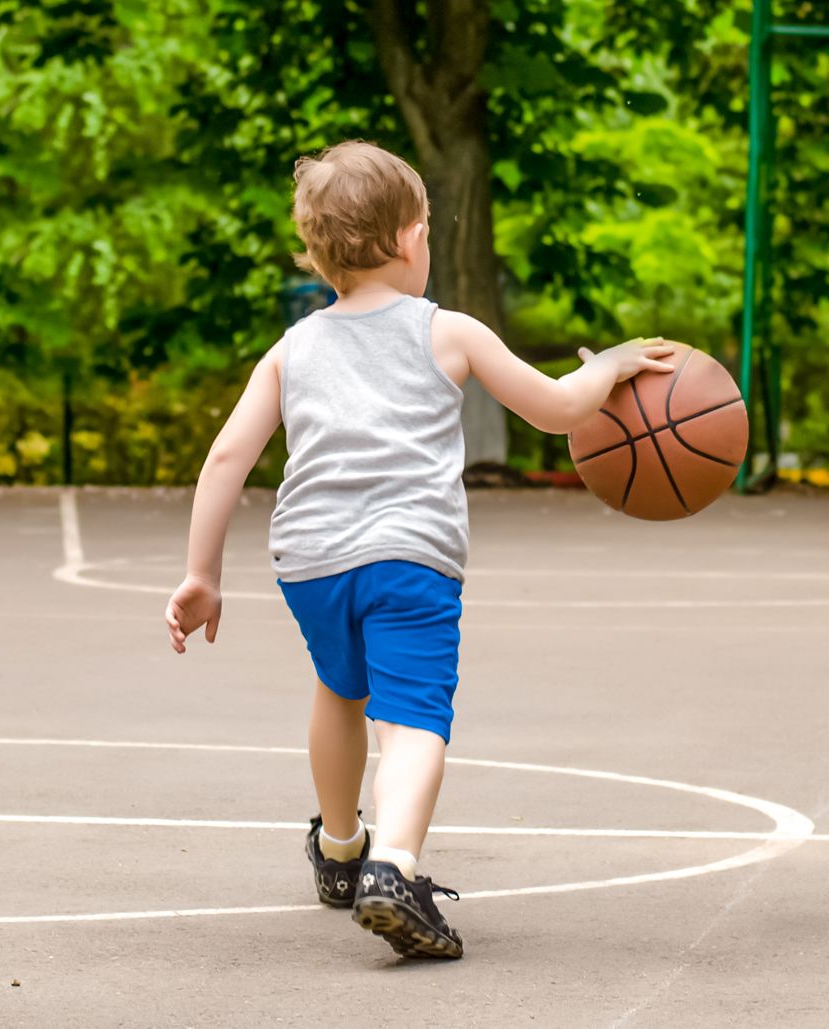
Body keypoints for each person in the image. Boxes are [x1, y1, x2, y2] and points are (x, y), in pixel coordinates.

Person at [163, 140, 675, 960]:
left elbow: (226, 456)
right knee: (412, 720)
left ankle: (340, 851)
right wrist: (610, 366)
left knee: (341, 688)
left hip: (311, 560)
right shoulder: (450, 331)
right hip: (408, 556)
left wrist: (201, 573)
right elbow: (554, 409)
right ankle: (394, 869)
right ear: (410, 239)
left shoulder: (293, 349)